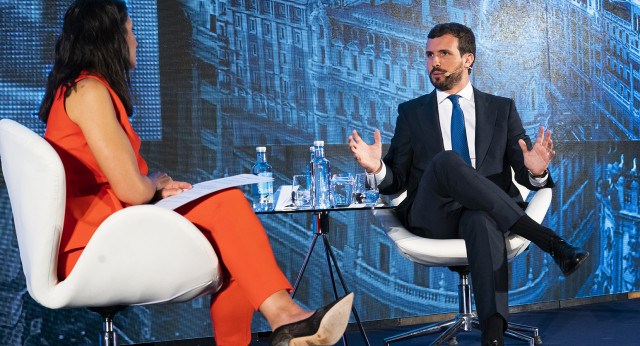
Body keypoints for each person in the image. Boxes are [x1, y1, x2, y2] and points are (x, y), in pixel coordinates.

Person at [38, 1, 352, 345]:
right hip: (92, 247)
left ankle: (271, 327)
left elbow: (117, 183)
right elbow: (131, 190)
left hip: (108, 231)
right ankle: (287, 318)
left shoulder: (82, 90)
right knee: (228, 204)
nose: (137, 40)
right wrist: (154, 183)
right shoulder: (89, 91)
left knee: (233, 249)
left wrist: (155, 188)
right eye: (130, 31)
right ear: (110, 38)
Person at [348, 22, 588, 346]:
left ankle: (492, 333)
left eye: (444, 53)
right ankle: (552, 243)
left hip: (487, 215)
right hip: (434, 216)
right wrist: (377, 168)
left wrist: (536, 171)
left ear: (467, 59)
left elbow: (527, 170)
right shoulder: (411, 112)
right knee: (448, 161)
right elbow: (395, 182)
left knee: (480, 218)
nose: (434, 62)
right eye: (429, 54)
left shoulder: (502, 109)